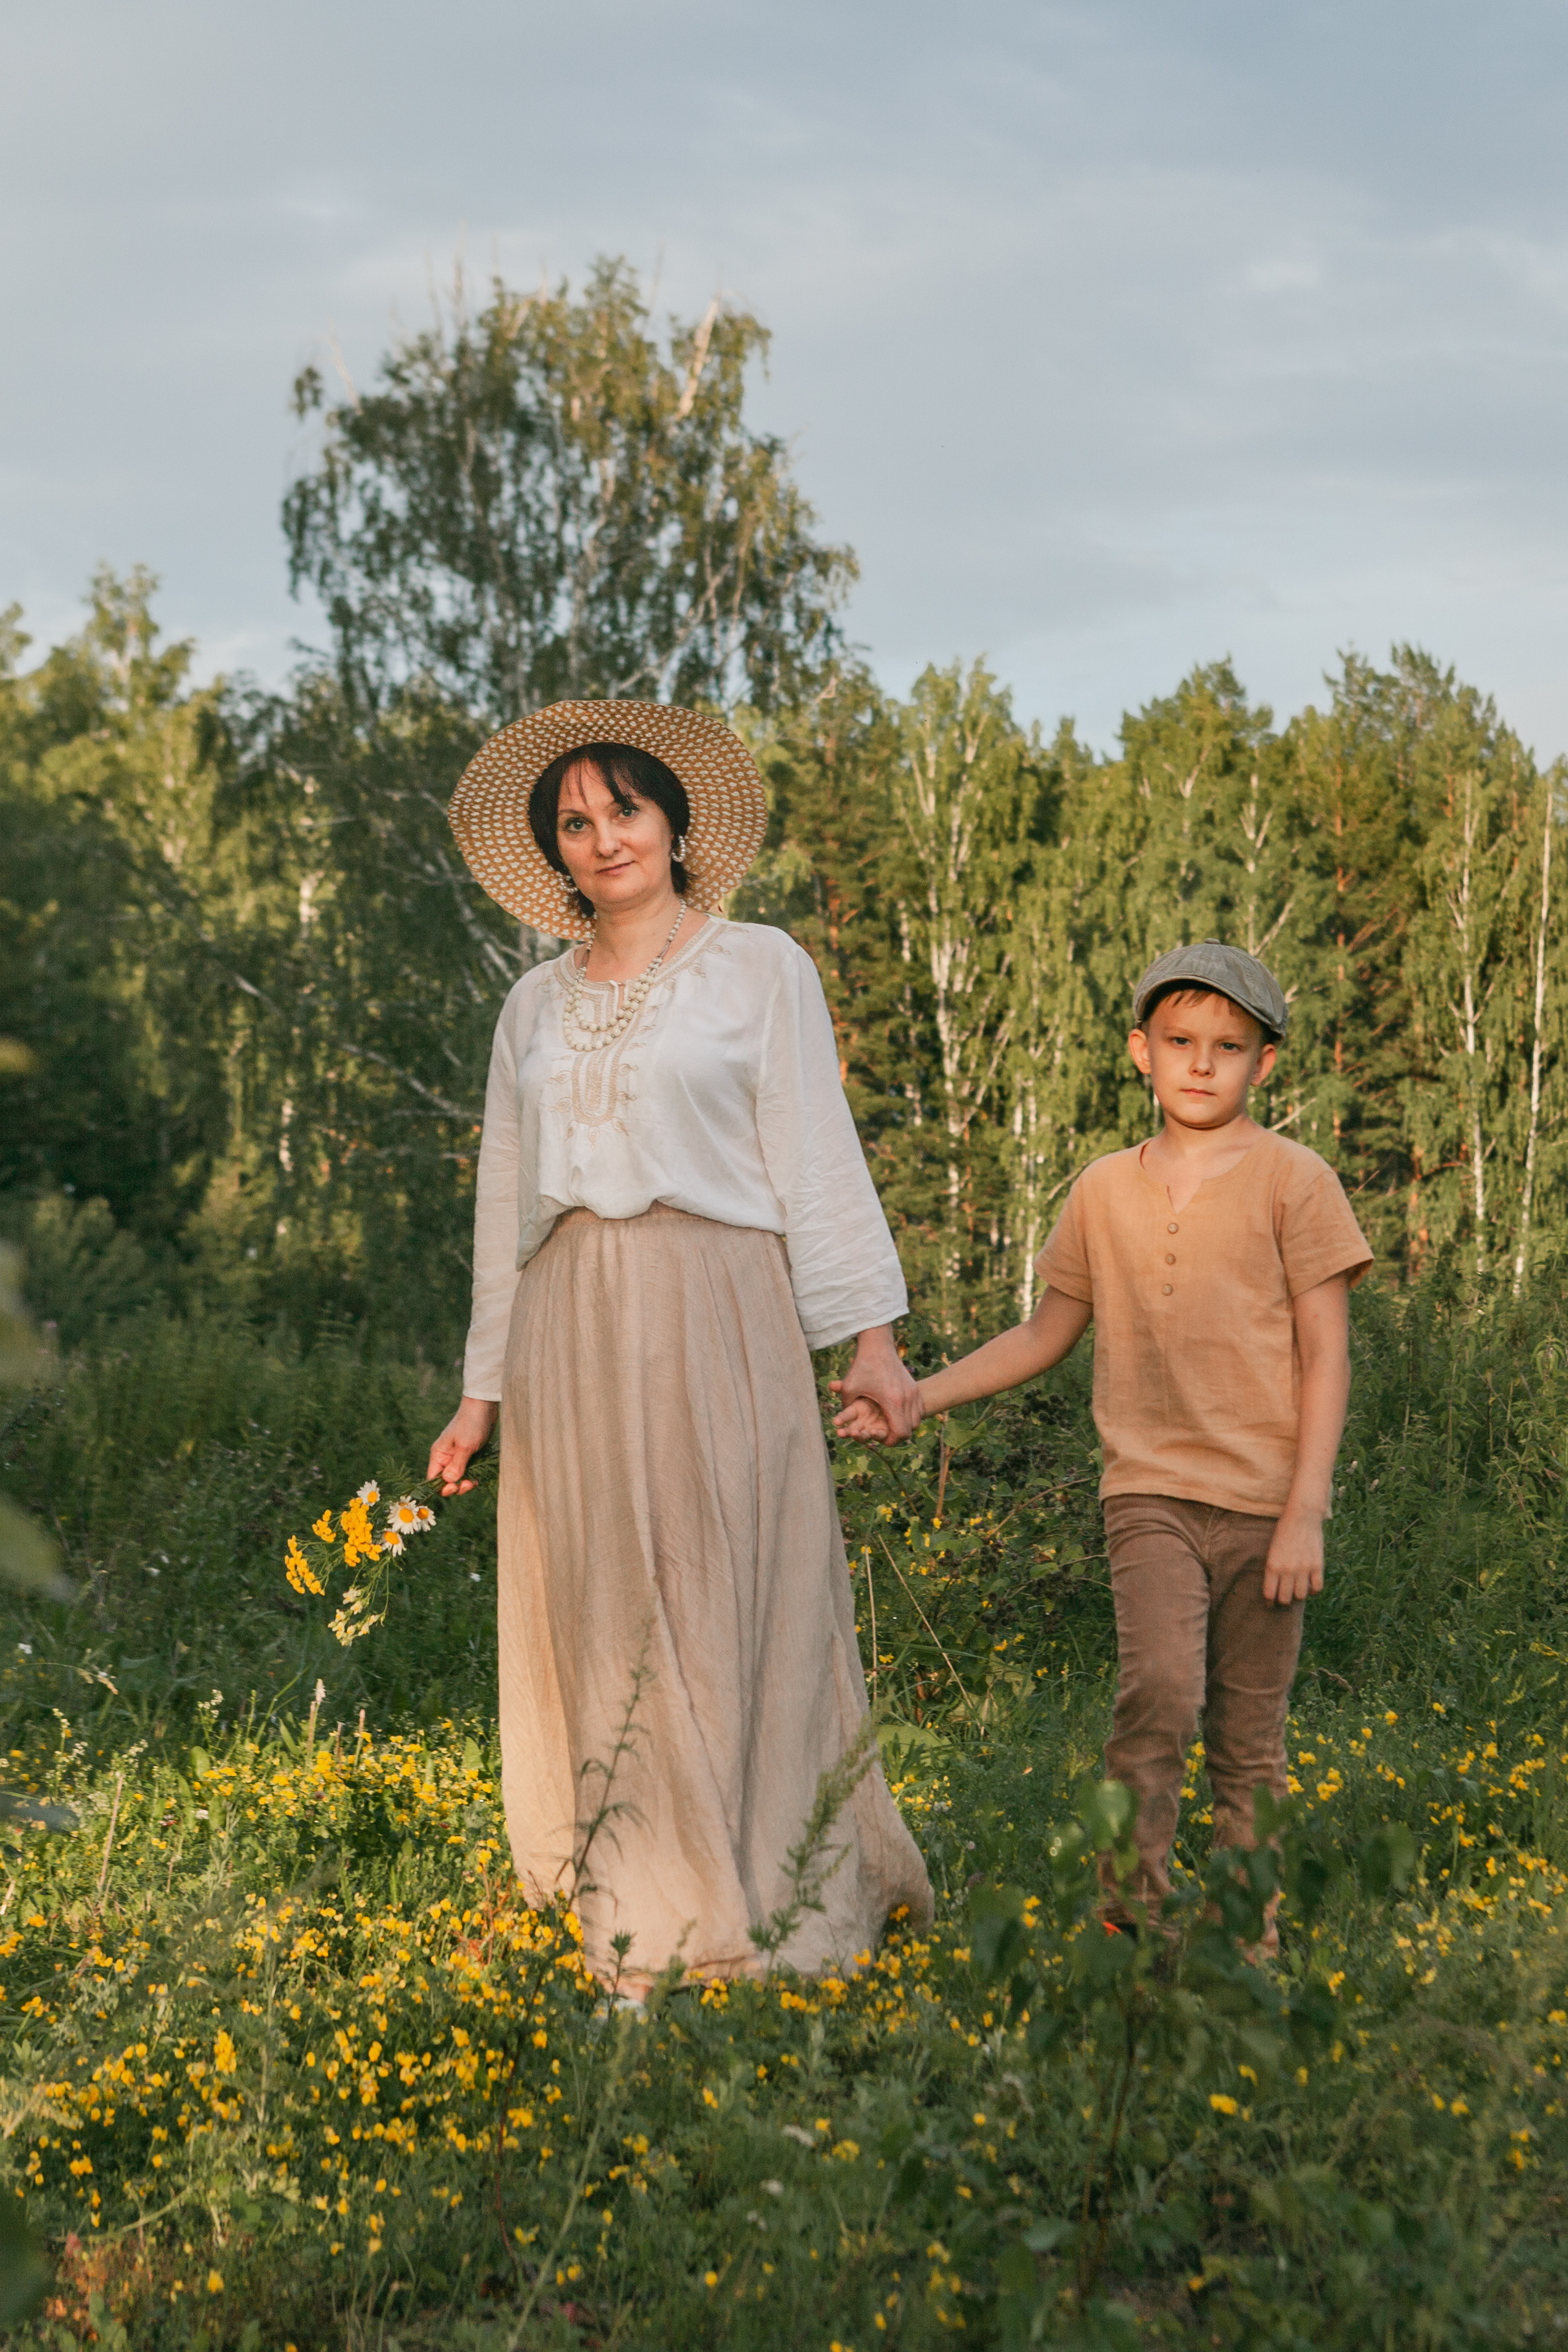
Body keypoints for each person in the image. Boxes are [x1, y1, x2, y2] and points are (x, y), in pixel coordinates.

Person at [429, 698, 932, 1997]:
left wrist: (869, 1340)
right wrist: (480, 1396)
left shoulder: (759, 966)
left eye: (623, 810)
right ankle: (641, 1915)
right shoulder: (529, 1007)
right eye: (573, 822)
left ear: (675, 820)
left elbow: (815, 1160)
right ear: (555, 852)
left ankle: (779, 1890)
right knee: (607, 1612)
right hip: (570, 1321)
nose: (602, 839)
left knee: (732, 1585)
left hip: (722, 1303)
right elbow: (507, 1210)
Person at [836, 941, 1372, 1945]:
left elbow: (1326, 1357)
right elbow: (1044, 1332)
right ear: (1141, 1050)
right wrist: (918, 1395)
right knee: (1157, 1698)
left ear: (1265, 1061)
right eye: (1180, 1041)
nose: (1202, 1063)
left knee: (1249, 1738)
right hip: (1150, 1494)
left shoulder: (1296, 1182)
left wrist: (1307, 1509)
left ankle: (1244, 1940)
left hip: (1266, 1504)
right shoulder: (1099, 1190)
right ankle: (1132, 1925)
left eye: (1229, 1044)